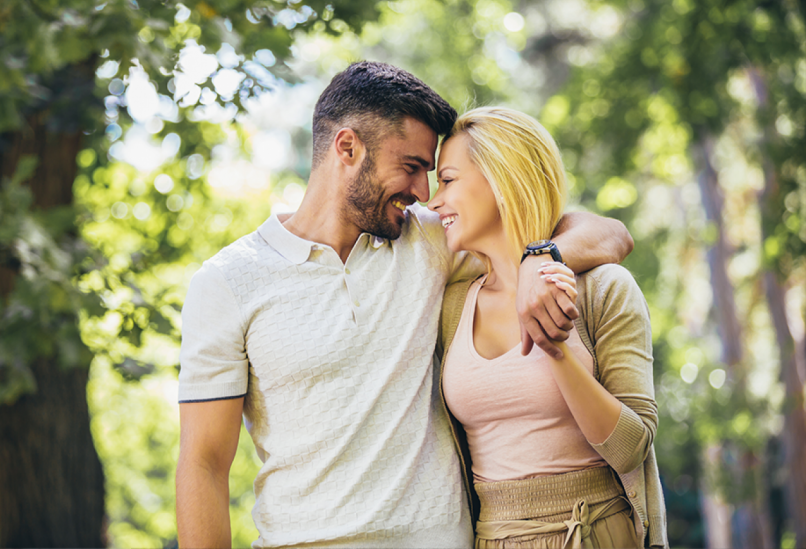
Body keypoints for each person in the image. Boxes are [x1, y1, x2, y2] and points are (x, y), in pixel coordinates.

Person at [175, 62, 633, 548]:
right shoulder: (228, 282)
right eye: (411, 167)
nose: (423, 194)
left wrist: (541, 260)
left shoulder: (432, 242)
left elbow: (609, 234)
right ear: (347, 148)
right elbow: (203, 463)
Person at [429, 106, 667, 549]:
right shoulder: (453, 304)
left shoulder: (601, 289)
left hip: (596, 532)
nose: (433, 200)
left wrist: (556, 349)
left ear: (501, 177)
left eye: (447, 180)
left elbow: (631, 449)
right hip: (494, 538)